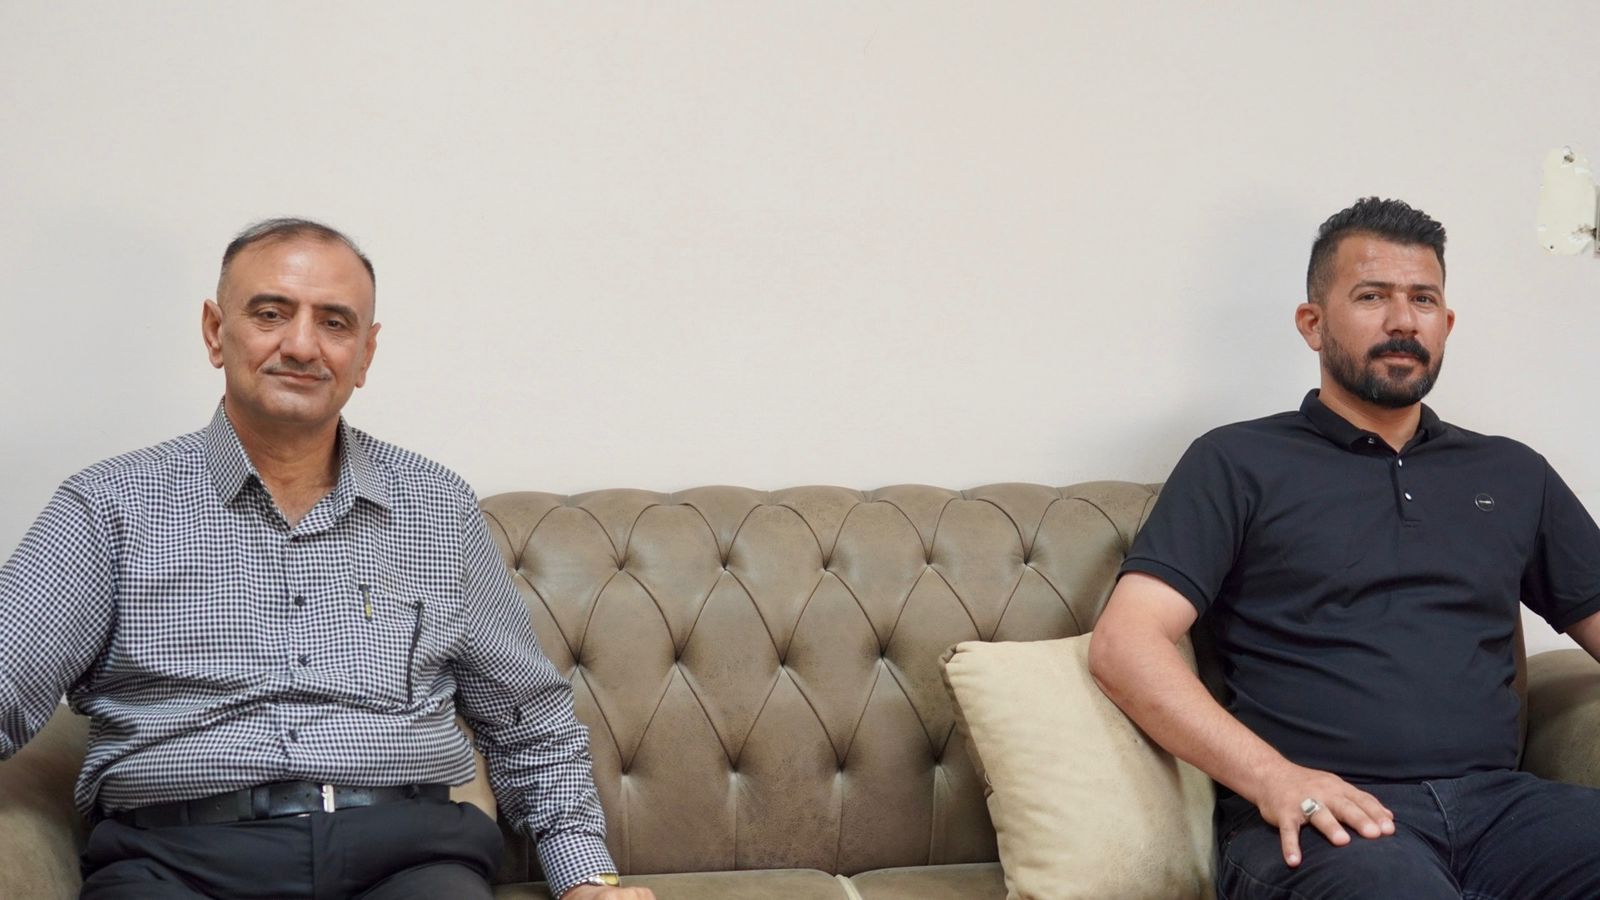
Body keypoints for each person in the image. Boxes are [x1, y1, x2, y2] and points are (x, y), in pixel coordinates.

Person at [0, 219, 654, 900]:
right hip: (178, 862)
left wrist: (585, 878)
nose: (302, 345)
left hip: (409, 860)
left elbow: (528, 718)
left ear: (365, 354)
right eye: (271, 313)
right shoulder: (109, 506)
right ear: (215, 331)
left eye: (335, 323)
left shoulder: (437, 506)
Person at [1088, 197, 1600, 899]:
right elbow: (1125, 643)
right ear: (1313, 322)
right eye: (1372, 296)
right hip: (1320, 819)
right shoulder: (1236, 462)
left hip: (1502, 810)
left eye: (1423, 299)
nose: (1403, 321)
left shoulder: (1512, 472)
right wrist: (1274, 778)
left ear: (1446, 324)